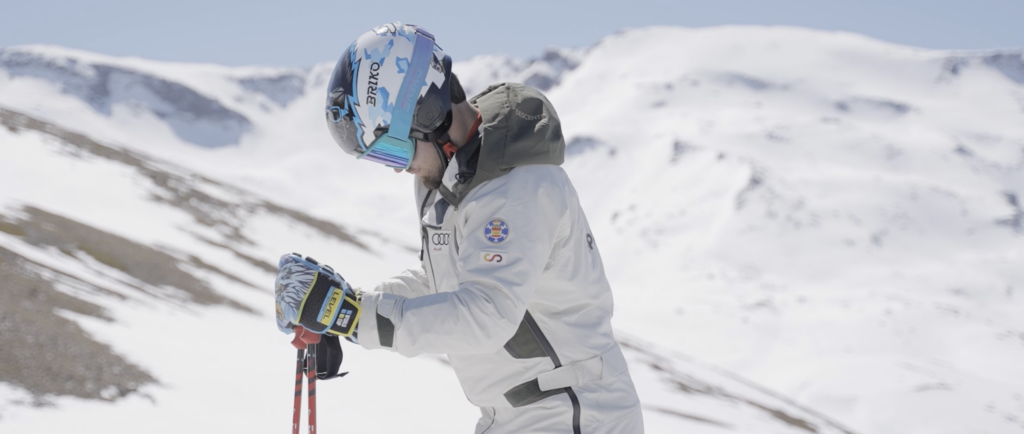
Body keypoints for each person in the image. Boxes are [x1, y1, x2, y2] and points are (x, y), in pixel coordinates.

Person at [275, 22, 644, 434]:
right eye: (382, 159)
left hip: (574, 412)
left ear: (427, 111)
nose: (399, 169)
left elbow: (484, 315)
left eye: (393, 150)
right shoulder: (448, 177)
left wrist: (355, 317)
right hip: (512, 416)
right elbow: (446, 279)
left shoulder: (516, 187)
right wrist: (348, 307)